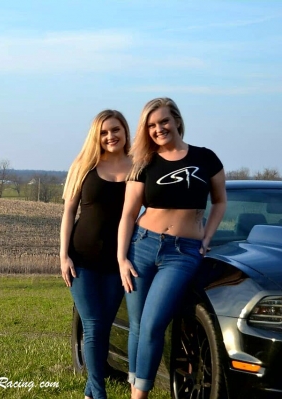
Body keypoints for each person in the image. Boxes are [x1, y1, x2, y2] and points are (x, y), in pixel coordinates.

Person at [117, 97, 227, 399]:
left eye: (163, 121)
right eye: (151, 125)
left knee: (152, 325)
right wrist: (121, 258)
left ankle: (140, 395)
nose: (158, 129)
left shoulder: (206, 158)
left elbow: (220, 201)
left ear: (177, 120)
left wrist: (206, 238)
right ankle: (134, 390)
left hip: (182, 254)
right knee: (138, 325)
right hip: (141, 246)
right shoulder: (144, 163)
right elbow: (128, 214)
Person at [61, 109, 132, 399]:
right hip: (83, 259)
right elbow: (68, 212)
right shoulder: (84, 166)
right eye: (104, 132)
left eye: (115, 129)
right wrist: (63, 256)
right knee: (92, 325)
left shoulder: (139, 167)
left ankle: (91, 391)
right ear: (96, 136)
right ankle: (99, 393)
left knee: (103, 326)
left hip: (119, 262)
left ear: (125, 131)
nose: (110, 136)